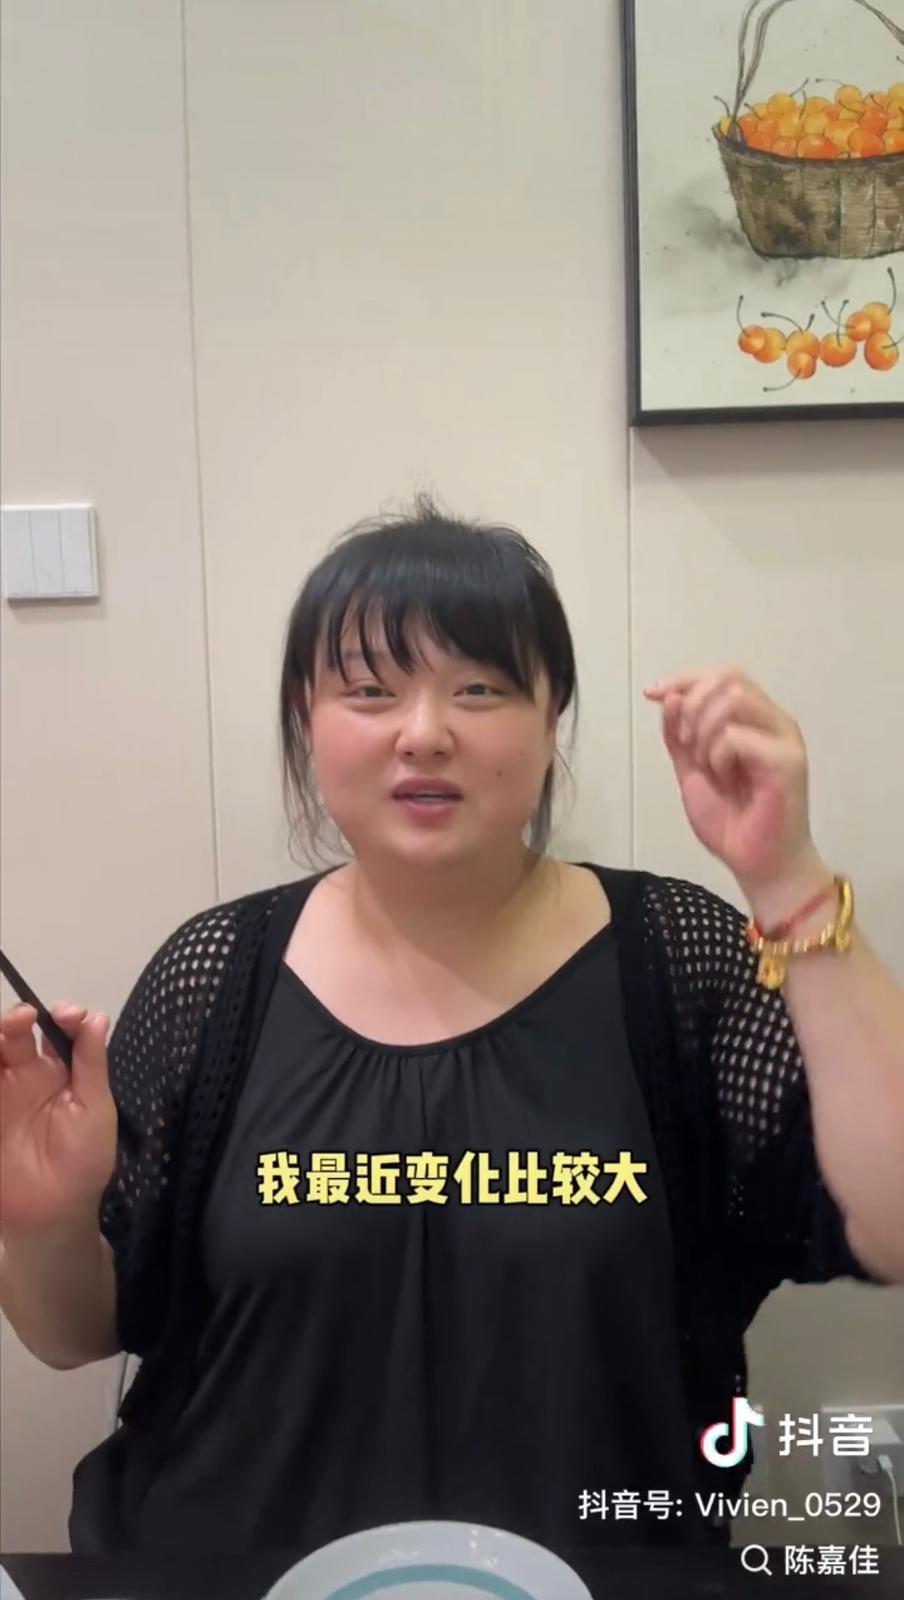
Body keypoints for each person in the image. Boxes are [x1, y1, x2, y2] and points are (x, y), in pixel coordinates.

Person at [0, 494, 898, 1568]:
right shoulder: (215, 979)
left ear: (552, 716)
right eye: (369, 690)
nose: (424, 732)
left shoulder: (676, 962)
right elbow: (78, 1334)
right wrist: (44, 1221)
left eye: (479, 688)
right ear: (306, 718)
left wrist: (786, 876)